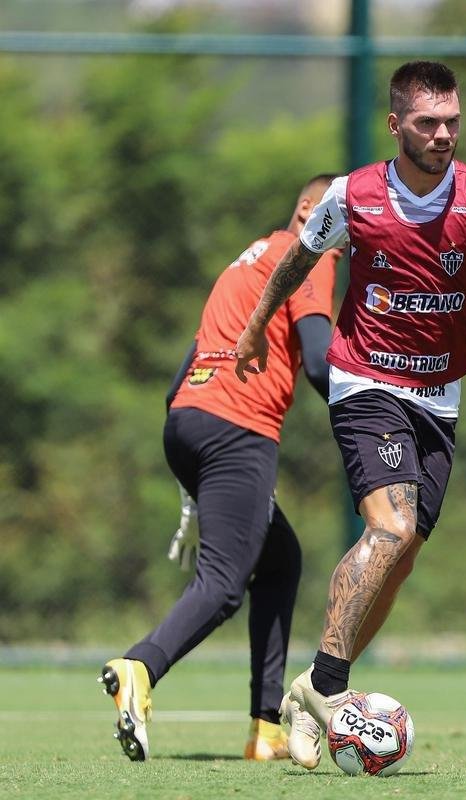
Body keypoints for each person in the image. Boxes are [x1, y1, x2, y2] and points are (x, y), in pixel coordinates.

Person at [235, 61, 466, 771]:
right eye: (429, 123)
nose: (444, 135)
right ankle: (329, 695)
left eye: (453, 123)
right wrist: (258, 324)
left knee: (401, 558)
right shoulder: (354, 195)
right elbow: (295, 262)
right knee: (392, 527)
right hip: (364, 380)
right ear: (396, 124)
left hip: (440, 394)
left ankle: (313, 689)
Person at [98, 174, 340, 762]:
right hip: (238, 427)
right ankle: (140, 666)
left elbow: (186, 364)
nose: (348, 237)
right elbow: (315, 360)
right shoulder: (310, 252)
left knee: (281, 559)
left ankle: (267, 728)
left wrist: (194, 468)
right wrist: (374, 415)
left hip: (187, 419)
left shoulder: (246, 260)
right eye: (345, 219)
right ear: (310, 208)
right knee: (226, 583)